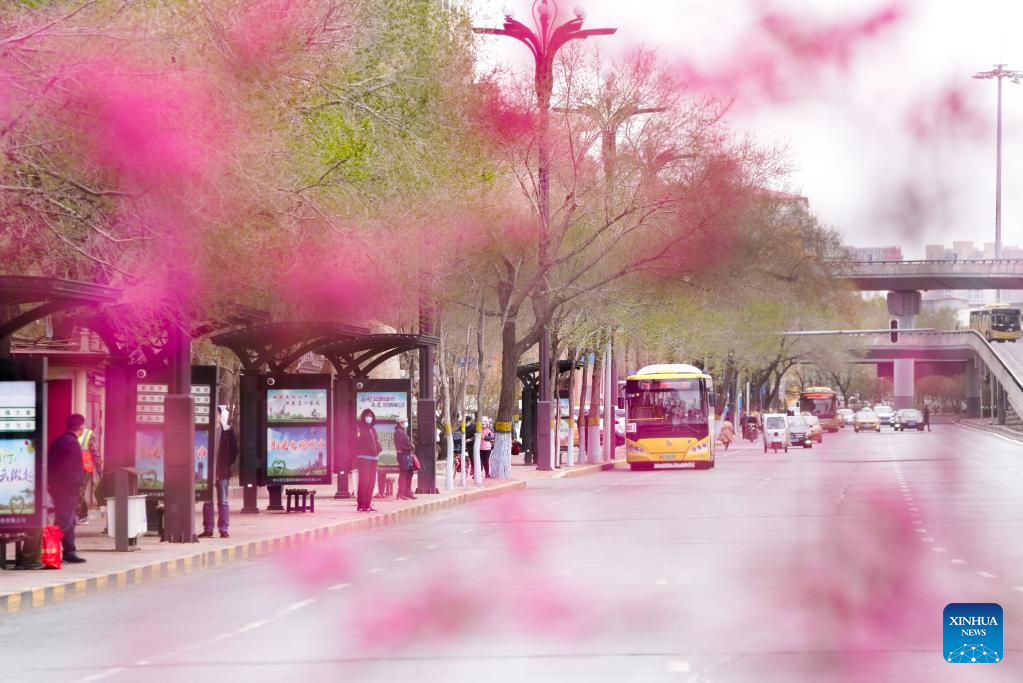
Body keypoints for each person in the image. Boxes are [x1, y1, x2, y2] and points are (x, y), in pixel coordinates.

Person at [48, 413, 88, 563]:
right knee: (64, 521)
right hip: (66, 489)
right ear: (82, 427)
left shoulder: (59, 441)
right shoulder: (72, 443)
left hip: (58, 487)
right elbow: (71, 469)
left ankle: (69, 552)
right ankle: (50, 552)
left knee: (69, 521)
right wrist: (77, 485)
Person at [200, 406, 238, 539]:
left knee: (223, 501)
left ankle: (223, 529)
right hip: (208, 471)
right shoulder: (204, 431)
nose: (213, 416)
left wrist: (227, 463)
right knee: (207, 501)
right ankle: (208, 529)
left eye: (215, 414)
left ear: (219, 415)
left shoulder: (228, 430)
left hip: (222, 471)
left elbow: (235, 450)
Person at [354, 408, 382, 512]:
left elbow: (376, 442)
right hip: (364, 458)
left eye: (370, 416)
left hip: (374, 459)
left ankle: (367, 505)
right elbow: (356, 443)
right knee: (364, 482)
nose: (369, 418)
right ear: (363, 417)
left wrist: (378, 449)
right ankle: (361, 505)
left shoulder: (373, 429)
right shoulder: (360, 429)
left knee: (371, 482)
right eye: (367, 416)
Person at [75, 424, 100, 524]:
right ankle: (79, 515)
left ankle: (82, 515)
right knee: (75, 491)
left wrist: (99, 468)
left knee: (79, 491)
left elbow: (95, 452)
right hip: (74, 468)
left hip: (85, 468)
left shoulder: (88, 434)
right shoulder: (71, 434)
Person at [393, 415, 417, 500]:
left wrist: (410, 446)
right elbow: (401, 446)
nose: (405, 423)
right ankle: (401, 493)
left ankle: (407, 492)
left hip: (406, 455)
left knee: (409, 473)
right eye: (403, 422)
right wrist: (411, 446)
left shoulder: (402, 431)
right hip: (403, 456)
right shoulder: (398, 432)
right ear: (399, 423)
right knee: (403, 474)